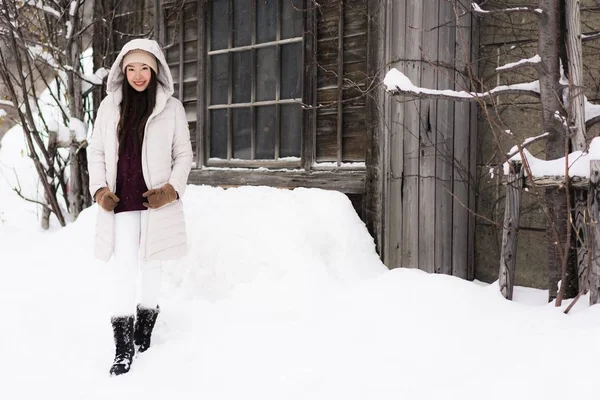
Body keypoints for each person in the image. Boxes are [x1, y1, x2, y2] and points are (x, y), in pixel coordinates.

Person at [88, 38, 193, 376]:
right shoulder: (109, 107)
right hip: (120, 203)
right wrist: (99, 189)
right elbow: (96, 153)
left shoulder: (171, 108)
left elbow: (183, 155)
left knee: (152, 266)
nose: (137, 75)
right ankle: (122, 347)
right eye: (130, 68)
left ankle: (144, 328)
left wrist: (172, 190)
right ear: (122, 70)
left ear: (155, 69)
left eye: (143, 68)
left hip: (155, 203)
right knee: (124, 270)